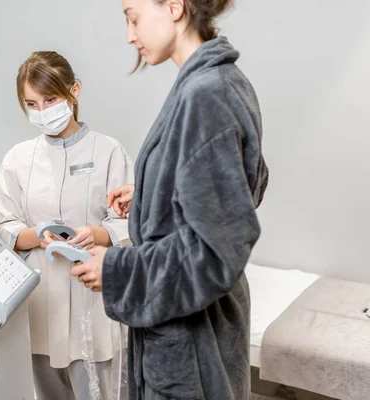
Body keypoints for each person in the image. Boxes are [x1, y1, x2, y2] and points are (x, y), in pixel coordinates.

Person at [71, 1, 270, 399]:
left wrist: (116, 269)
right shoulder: (223, 80)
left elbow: (216, 251)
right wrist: (153, 193)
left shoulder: (205, 94)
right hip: (189, 328)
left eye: (133, 17)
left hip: (194, 344)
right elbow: (243, 184)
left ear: (175, 7)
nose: (130, 35)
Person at [0, 51, 134, 400]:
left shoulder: (108, 151)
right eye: (32, 103)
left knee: (98, 388)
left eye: (51, 99)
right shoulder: (18, 159)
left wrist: (95, 233)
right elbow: (5, 225)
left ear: (74, 91)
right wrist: (38, 235)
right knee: (47, 388)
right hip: (40, 299)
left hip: (91, 293)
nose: (42, 111)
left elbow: (128, 222)